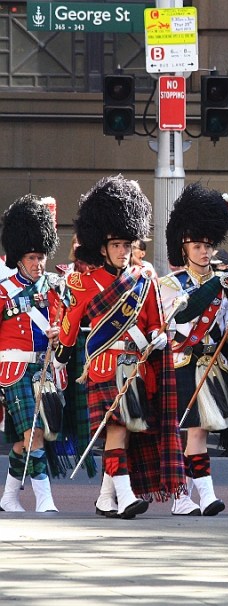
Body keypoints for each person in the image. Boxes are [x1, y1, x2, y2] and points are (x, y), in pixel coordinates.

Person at [55, 175, 183, 519]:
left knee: (126, 431)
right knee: (117, 427)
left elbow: (155, 319)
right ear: (102, 246)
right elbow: (71, 319)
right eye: (116, 245)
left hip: (136, 363)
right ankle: (125, 497)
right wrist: (63, 349)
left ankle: (104, 498)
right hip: (103, 364)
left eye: (127, 245)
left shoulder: (145, 278)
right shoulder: (85, 281)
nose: (123, 251)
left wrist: (158, 335)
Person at [160, 183, 228, 516]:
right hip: (183, 361)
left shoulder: (225, 282)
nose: (203, 252)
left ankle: (206, 495)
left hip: (212, 362)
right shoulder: (169, 284)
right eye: (197, 246)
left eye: (207, 246)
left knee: (198, 431)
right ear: (184, 249)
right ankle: (181, 496)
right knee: (185, 430)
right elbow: (177, 322)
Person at [0, 195, 67, 513]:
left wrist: (59, 333)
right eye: (31, 257)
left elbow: (62, 325)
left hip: (43, 370)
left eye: (41, 257)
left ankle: (9, 497)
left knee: (23, 441)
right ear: (18, 258)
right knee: (34, 433)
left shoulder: (54, 287)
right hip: (13, 368)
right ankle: (45, 500)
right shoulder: (4, 290)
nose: (38, 264)